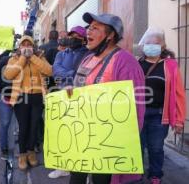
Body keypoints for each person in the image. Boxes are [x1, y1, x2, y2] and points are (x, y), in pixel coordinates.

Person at [69, 13, 145, 184]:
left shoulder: (126, 62)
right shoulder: (88, 59)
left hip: (107, 142)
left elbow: (135, 108)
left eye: (95, 28)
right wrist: (70, 93)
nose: (88, 31)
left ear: (111, 35)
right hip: (81, 136)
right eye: (89, 27)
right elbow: (79, 90)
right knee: (76, 179)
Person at [138, 28, 186, 184]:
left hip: (158, 115)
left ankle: (155, 175)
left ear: (163, 46)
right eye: (148, 43)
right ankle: (136, 174)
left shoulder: (170, 66)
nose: (151, 46)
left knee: (156, 148)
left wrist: (179, 120)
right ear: (143, 45)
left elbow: (179, 94)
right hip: (138, 114)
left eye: (156, 43)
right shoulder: (136, 63)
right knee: (138, 147)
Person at [3, 35, 52, 170]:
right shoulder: (14, 58)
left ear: (33, 46)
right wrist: (23, 58)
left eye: (28, 44)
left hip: (37, 97)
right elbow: (8, 75)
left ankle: (31, 152)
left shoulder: (40, 56)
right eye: (23, 45)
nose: (26, 47)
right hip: (21, 97)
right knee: (24, 127)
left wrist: (33, 57)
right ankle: (23, 155)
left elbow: (49, 71)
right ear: (19, 47)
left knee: (34, 126)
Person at [48, 26, 90, 179]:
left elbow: (87, 73)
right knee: (63, 133)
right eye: (70, 35)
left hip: (81, 97)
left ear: (83, 39)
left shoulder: (89, 54)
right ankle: (63, 166)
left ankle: (83, 169)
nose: (72, 38)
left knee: (80, 134)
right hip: (62, 96)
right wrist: (72, 73)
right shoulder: (60, 54)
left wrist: (69, 74)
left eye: (76, 36)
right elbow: (55, 70)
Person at [0, 50, 14, 160]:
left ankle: (22, 150)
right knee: (5, 123)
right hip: (4, 97)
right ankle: (4, 148)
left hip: (20, 97)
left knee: (21, 123)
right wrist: (0, 87)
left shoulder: (26, 61)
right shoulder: (4, 61)